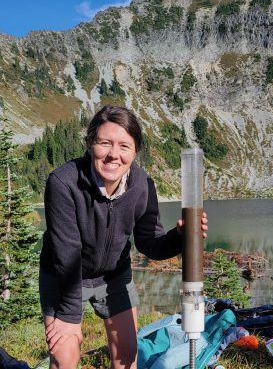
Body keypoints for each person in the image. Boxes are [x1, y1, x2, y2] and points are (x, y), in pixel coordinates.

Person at [39, 105, 208, 369]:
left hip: (113, 276)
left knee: (127, 353)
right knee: (65, 356)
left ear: (136, 150)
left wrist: (180, 236)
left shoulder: (142, 185)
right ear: (90, 144)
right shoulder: (63, 182)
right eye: (104, 143)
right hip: (64, 277)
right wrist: (69, 319)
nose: (113, 155)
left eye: (124, 146)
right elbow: (66, 255)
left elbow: (150, 243)